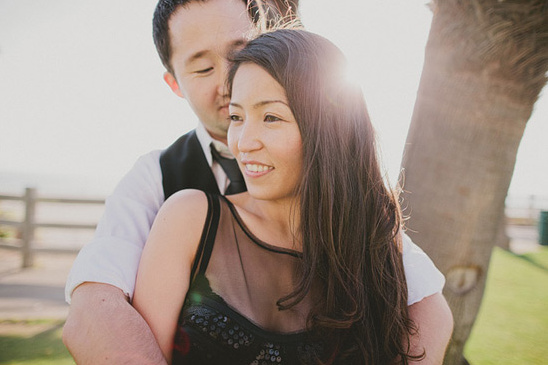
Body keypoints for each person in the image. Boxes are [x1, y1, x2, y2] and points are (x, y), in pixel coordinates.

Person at [63, 1, 451, 363]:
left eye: (240, 52)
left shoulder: (360, 211)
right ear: (175, 83)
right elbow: (95, 305)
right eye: (202, 68)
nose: (230, 80)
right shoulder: (156, 180)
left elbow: (423, 300)